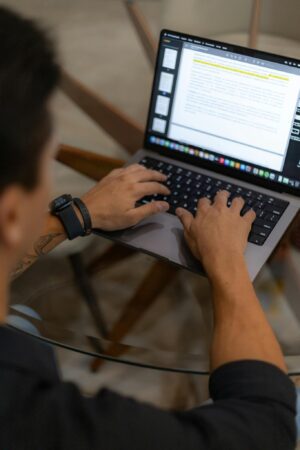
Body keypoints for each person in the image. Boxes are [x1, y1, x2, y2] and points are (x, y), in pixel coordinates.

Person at [0, 6, 297, 450]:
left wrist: (77, 213)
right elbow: (266, 426)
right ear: (9, 216)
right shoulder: (51, 422)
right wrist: (228, 262)